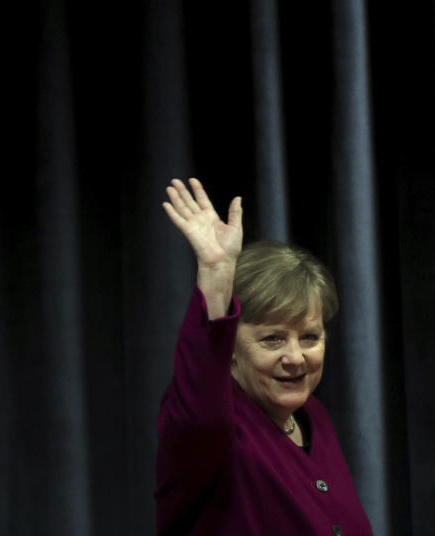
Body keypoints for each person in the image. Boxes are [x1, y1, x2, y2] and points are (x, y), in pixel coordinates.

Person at [155, 178, 373, 535]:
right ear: (230, 348)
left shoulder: (311, 416)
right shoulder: (211, 429)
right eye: (272, 339)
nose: (296, 357)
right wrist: (215, 275)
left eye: (309, 337)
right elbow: (200, 400)